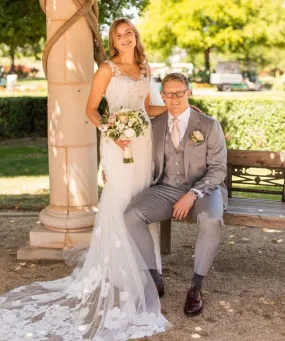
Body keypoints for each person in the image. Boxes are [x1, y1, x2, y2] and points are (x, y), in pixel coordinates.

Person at [0, 18, 171, 341]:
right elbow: (91, 110)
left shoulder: (145, 69)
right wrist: (110, 130)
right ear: (112, 41)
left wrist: (177, 108)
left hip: (142, 142)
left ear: (135, 37)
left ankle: (146, 269)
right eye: (119, 35)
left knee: (141, 202)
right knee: (119, 201)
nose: (125, 38)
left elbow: (148, 107)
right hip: (116, 143)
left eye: (129, 33)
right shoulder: (107, 68)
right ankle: (119, 270)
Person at [124, 72, 228, 317]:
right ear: (162, 96)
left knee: (211, 220)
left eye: (179, 93)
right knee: (131, 215)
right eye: (168, 94)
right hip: (167, 188)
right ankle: (154, 278)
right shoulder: (155, 125)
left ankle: (195, 286)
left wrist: (193, 193)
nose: (174, 98)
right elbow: (138, 156)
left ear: (188, 93)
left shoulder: (208, 125)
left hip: (204, 189)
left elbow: (219, 169)